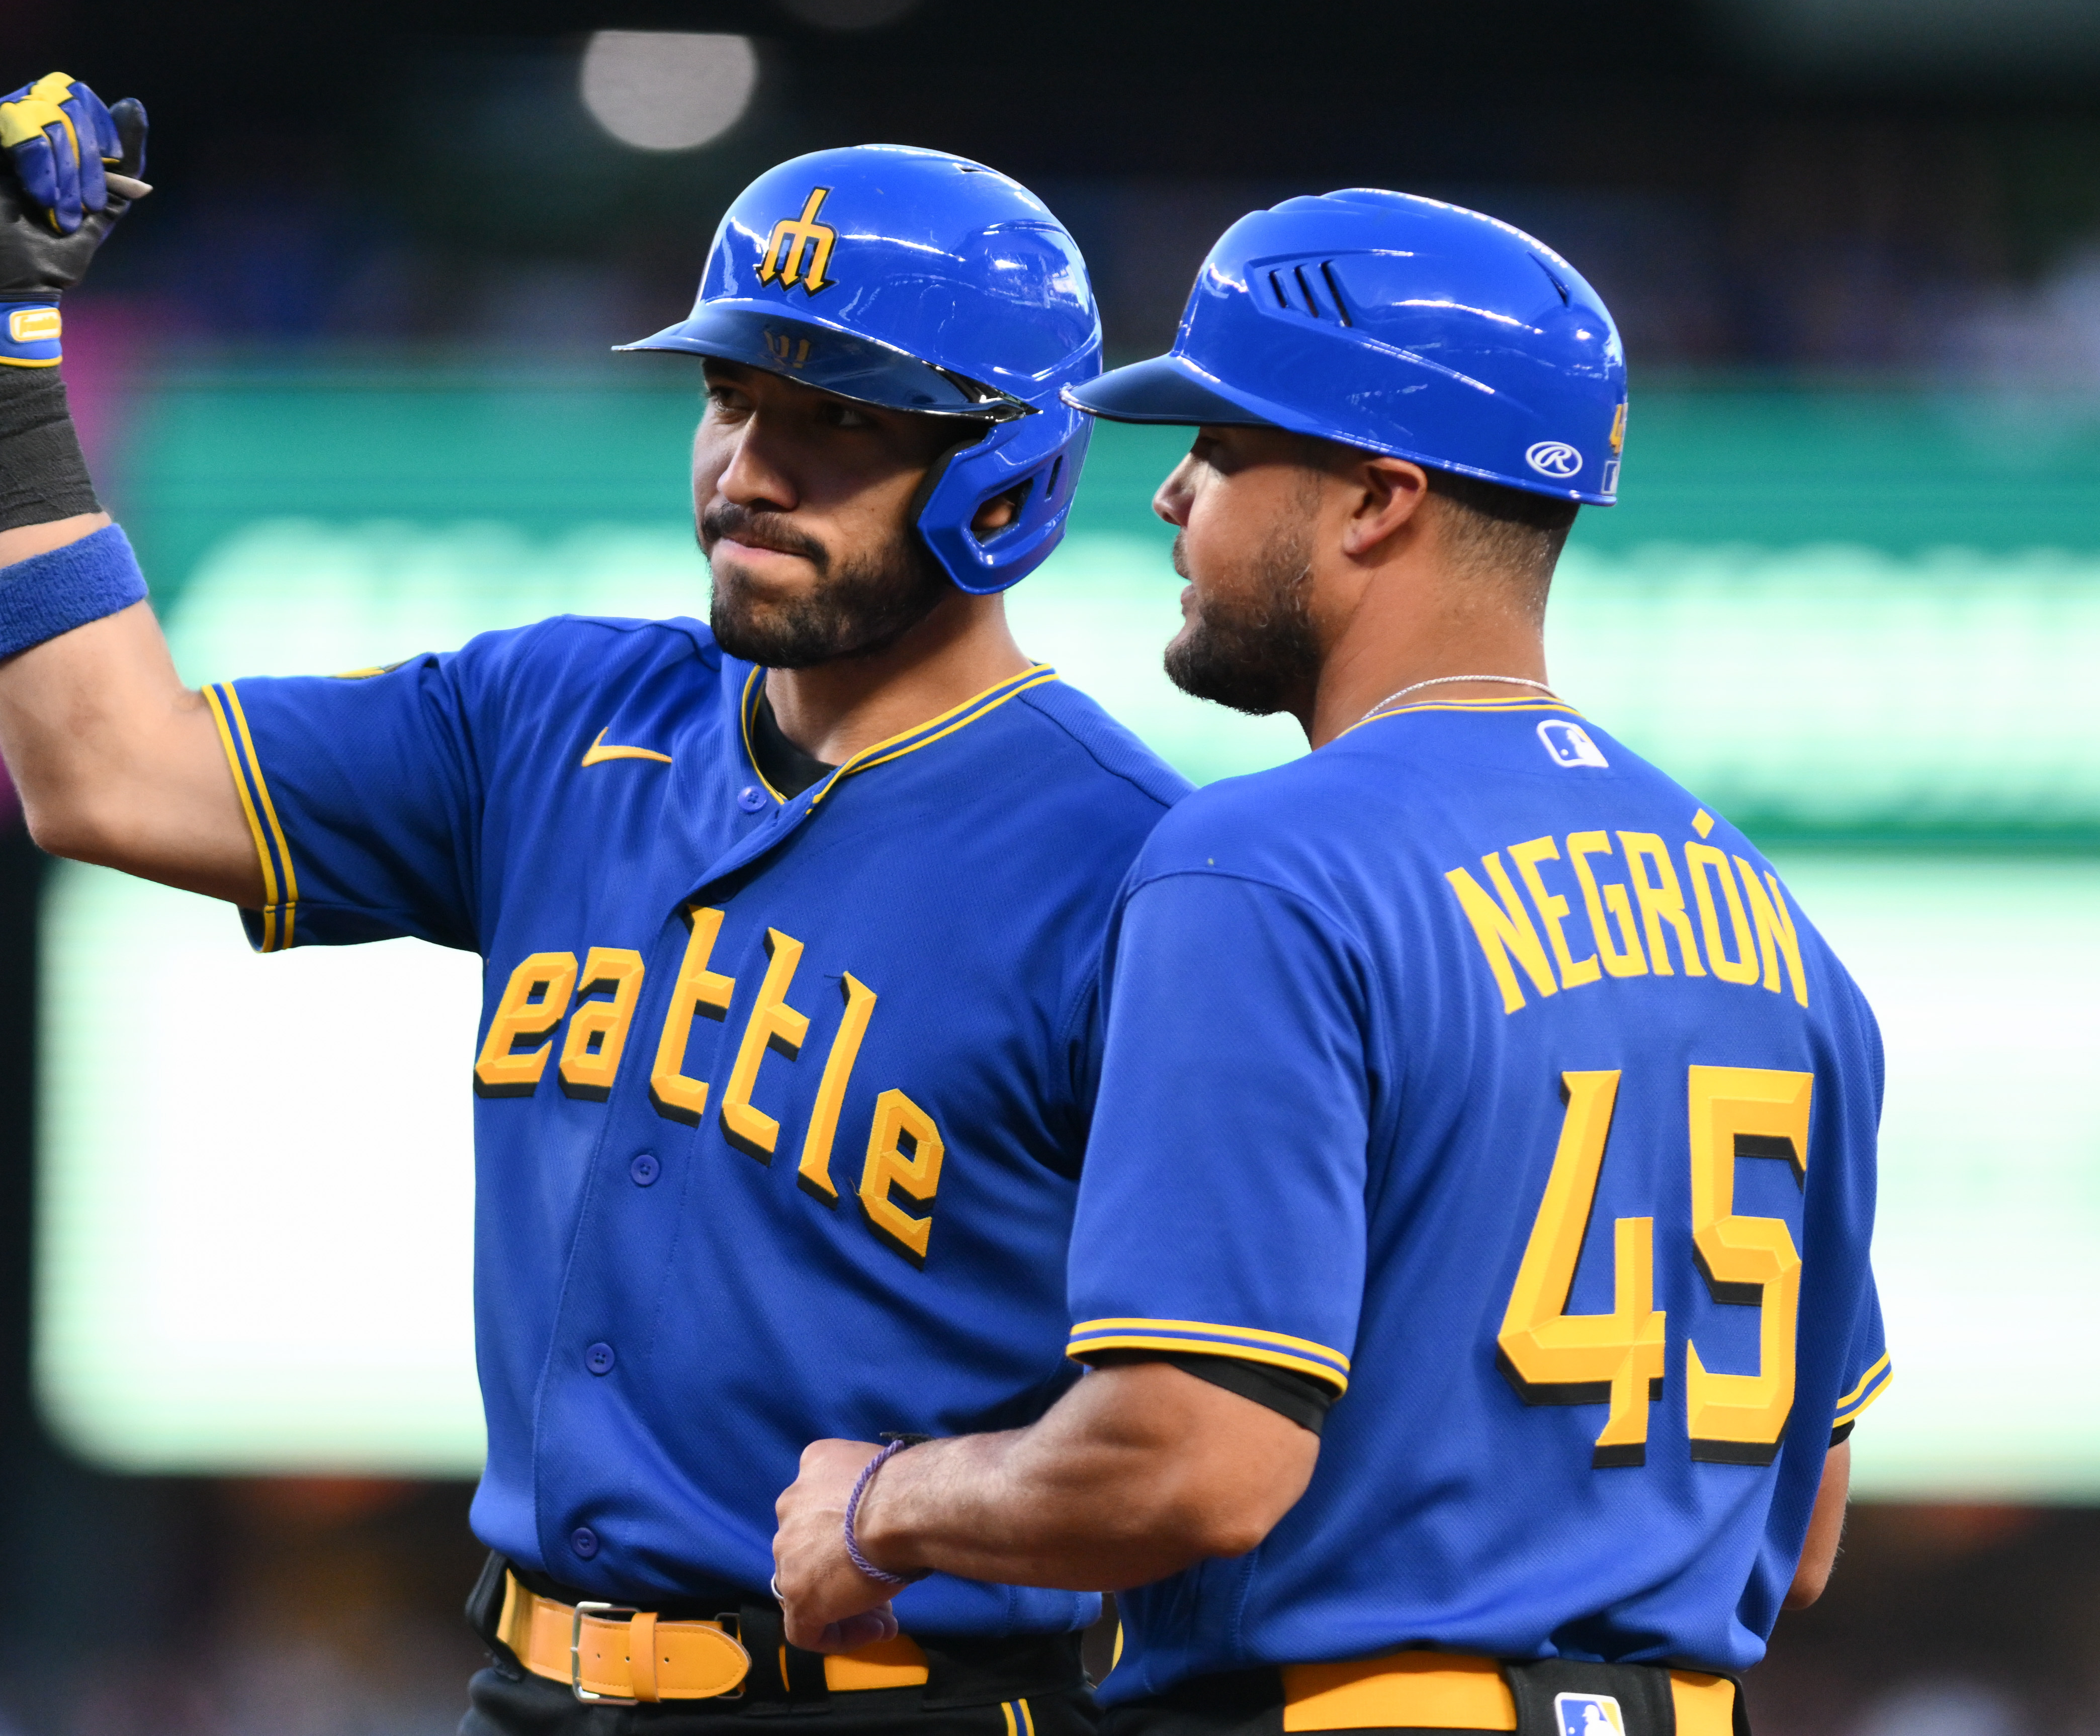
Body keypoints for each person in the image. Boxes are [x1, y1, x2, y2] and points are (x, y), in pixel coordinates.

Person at [0, 77, 1188, 1736]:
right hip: (529, 1689)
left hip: (901, 1699)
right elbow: (104, 773)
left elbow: (1197, 1430)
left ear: (1007, 474)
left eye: (837, 420)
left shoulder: (1130, 863)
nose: (749, 467)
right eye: (730, 396)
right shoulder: (554, 718)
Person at [772, 190, 1891, 1736]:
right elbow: (1804, 1530)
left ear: (1374, 503)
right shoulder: (1766, 918)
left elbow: (1190, 1462)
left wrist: (885, 1504)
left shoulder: (1265, 863)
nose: (1169, 496)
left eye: (1222, 453)